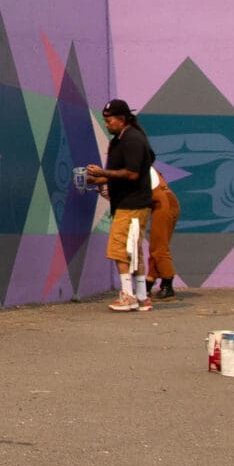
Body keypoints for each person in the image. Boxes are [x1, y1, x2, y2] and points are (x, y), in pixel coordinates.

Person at [85, 99, 156, 312]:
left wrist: (102, 173)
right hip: (129, 203)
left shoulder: (132, 139)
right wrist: (97, 180)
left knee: (119, 249)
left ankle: (127, 295)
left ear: (122, 119)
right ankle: (142, 296)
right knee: (134, 250)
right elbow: (121, 174)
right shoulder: (120, 140)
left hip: (131, 204)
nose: (107, 125)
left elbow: (132, 173)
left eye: (109, 120)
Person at [147, 166, 181, 300]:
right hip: (165, 202)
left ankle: (167, 284)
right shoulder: (141, 164)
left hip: (163, 203)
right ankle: (148, 284)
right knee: (156, 246)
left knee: (159, 247)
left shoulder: (135, 164)